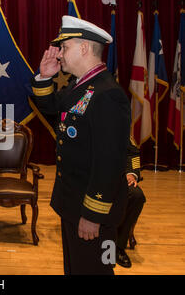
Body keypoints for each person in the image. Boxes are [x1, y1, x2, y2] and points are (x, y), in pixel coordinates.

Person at [31, 16, 131, 275]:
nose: (60, 55)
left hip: (91, 210)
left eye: (64, 48)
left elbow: (109, 163)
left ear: (84, 48)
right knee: (77, 269)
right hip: (73, 203)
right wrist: (44, 76)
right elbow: (54, 110)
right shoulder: (83, 86)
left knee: (95, 270)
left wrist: (93, 214)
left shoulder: (107, 94)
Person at [116, 138, 146, 268]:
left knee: (136, 196)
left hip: (117, 177)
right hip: (90, 177)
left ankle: (118, 246)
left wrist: (132, 174)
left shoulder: (119, 122)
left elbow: (132, 152)